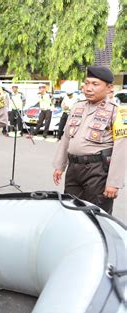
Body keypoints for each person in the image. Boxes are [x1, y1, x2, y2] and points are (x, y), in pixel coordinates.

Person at [52, 66, 125, 214]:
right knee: (71, 211)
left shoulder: (116, 112)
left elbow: (121, 149)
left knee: (97, 216)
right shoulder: (77, 107)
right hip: (74, 169)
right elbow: (66, 137)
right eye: (87, 83)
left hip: (97, 170)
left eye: (95, 84)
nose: (89, 88)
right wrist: (60, 166)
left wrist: (113, 183)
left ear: (109, 87)